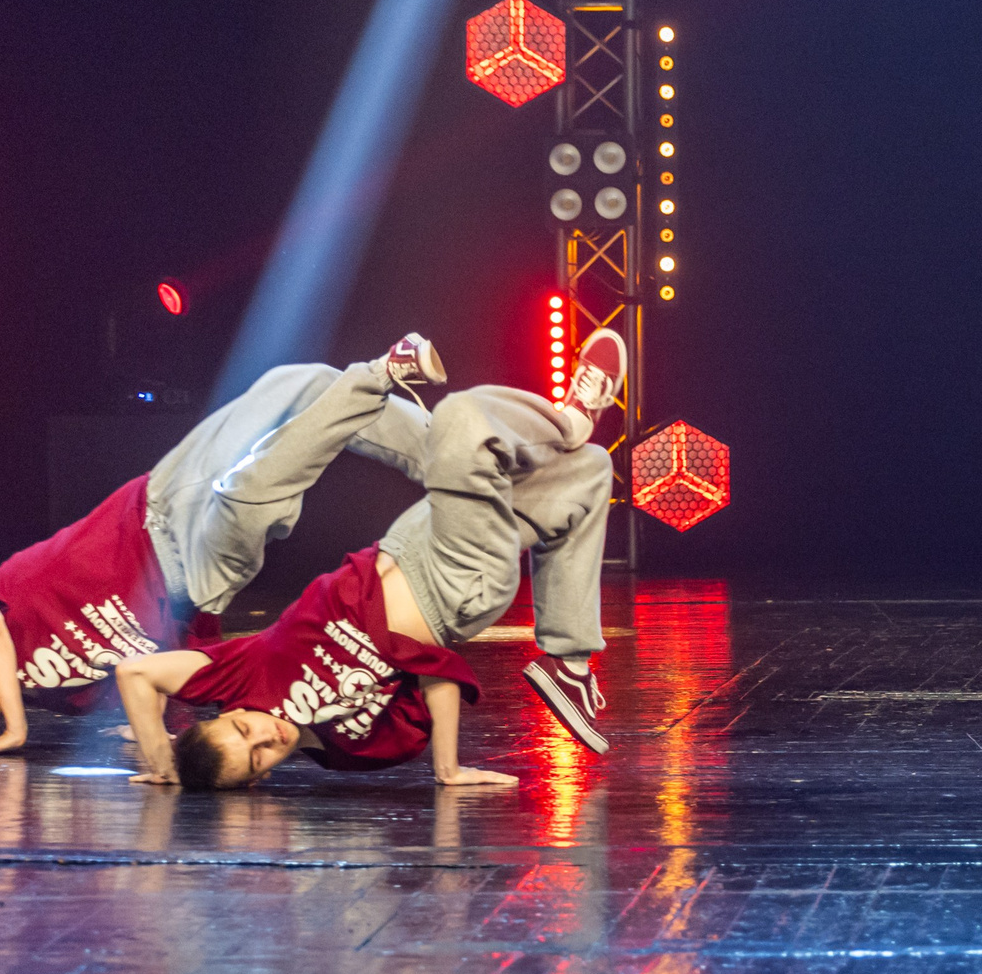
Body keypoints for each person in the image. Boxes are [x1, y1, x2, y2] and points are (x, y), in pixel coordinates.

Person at [109, 333, 622, 788]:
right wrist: (448, 770)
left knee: (589, 474)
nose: (265, 735)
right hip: (457, 588)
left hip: (407, 543)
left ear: (222, 715)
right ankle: (566, 418)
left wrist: (162, 762)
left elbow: (136, 672)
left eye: (243, 730)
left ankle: (571, 663)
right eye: (259, 759)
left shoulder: (241, 679)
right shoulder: (352, 748)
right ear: (256, 781)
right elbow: (434, 676)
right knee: (458, 420)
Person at [0, 336, 446, 755]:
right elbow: (153, 661)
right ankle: (386, 378)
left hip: (155, 504)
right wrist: (143, 724)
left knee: (298, 385)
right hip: (197, 577)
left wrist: (15, 729)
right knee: (254, 487)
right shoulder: (67, 697)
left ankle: (452, 454)